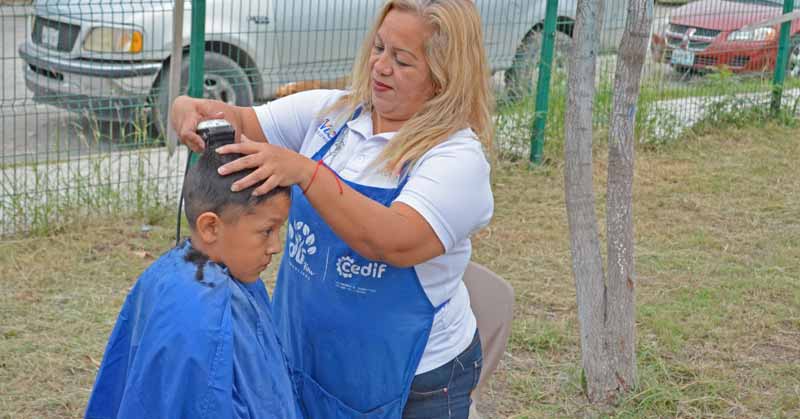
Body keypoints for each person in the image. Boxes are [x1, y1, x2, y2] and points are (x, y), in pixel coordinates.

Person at [170, 0, 493, 417]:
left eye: (402, 61)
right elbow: (241, 122)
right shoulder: (332, 113)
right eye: (379, 48)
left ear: (443, 77)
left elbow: (394, 240)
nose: (380, 67)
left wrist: (308, 172)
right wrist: (191, 108)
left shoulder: (456, 158)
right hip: (309, 356)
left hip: (413, 380)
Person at [84, 132, 302, 419]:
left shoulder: (210, 276)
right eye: (267, 231)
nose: (276, 246)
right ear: (211, 227)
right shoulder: (197, 316)